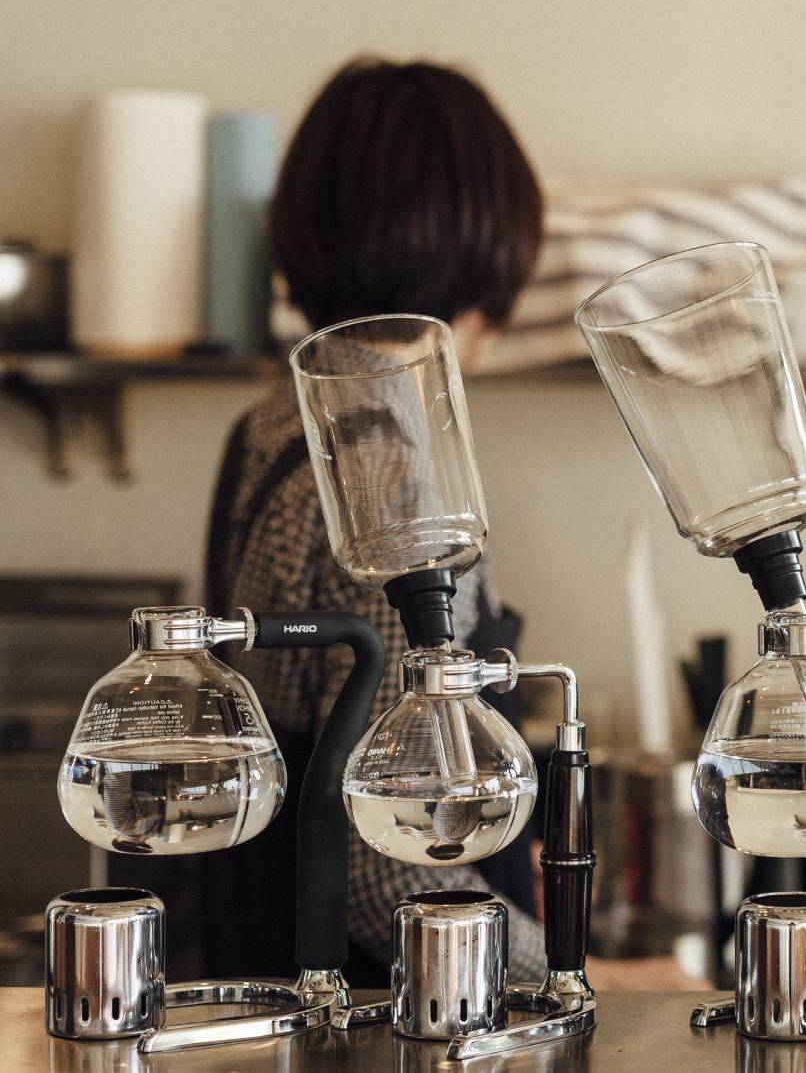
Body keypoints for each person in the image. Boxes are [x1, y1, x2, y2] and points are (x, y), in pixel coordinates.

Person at [204, 57, 692, 991]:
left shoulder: (273, 423)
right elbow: (387, 869)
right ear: (487, 261)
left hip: (275, 983)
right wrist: (572, 973)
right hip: (389, 1018)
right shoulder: (400, 471)